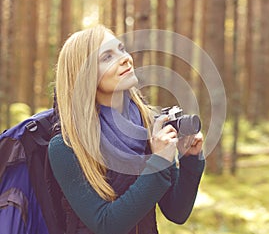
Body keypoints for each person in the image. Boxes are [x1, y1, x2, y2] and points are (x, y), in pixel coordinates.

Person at [48, 24, 205, 234]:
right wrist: (157, 162)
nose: (125, 58)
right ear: (85, 76)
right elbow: (106, 224)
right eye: (107, 57)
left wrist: (190, 158)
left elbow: (177, 212)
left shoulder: (148, 125)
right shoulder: (66, 146)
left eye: (121, 49)